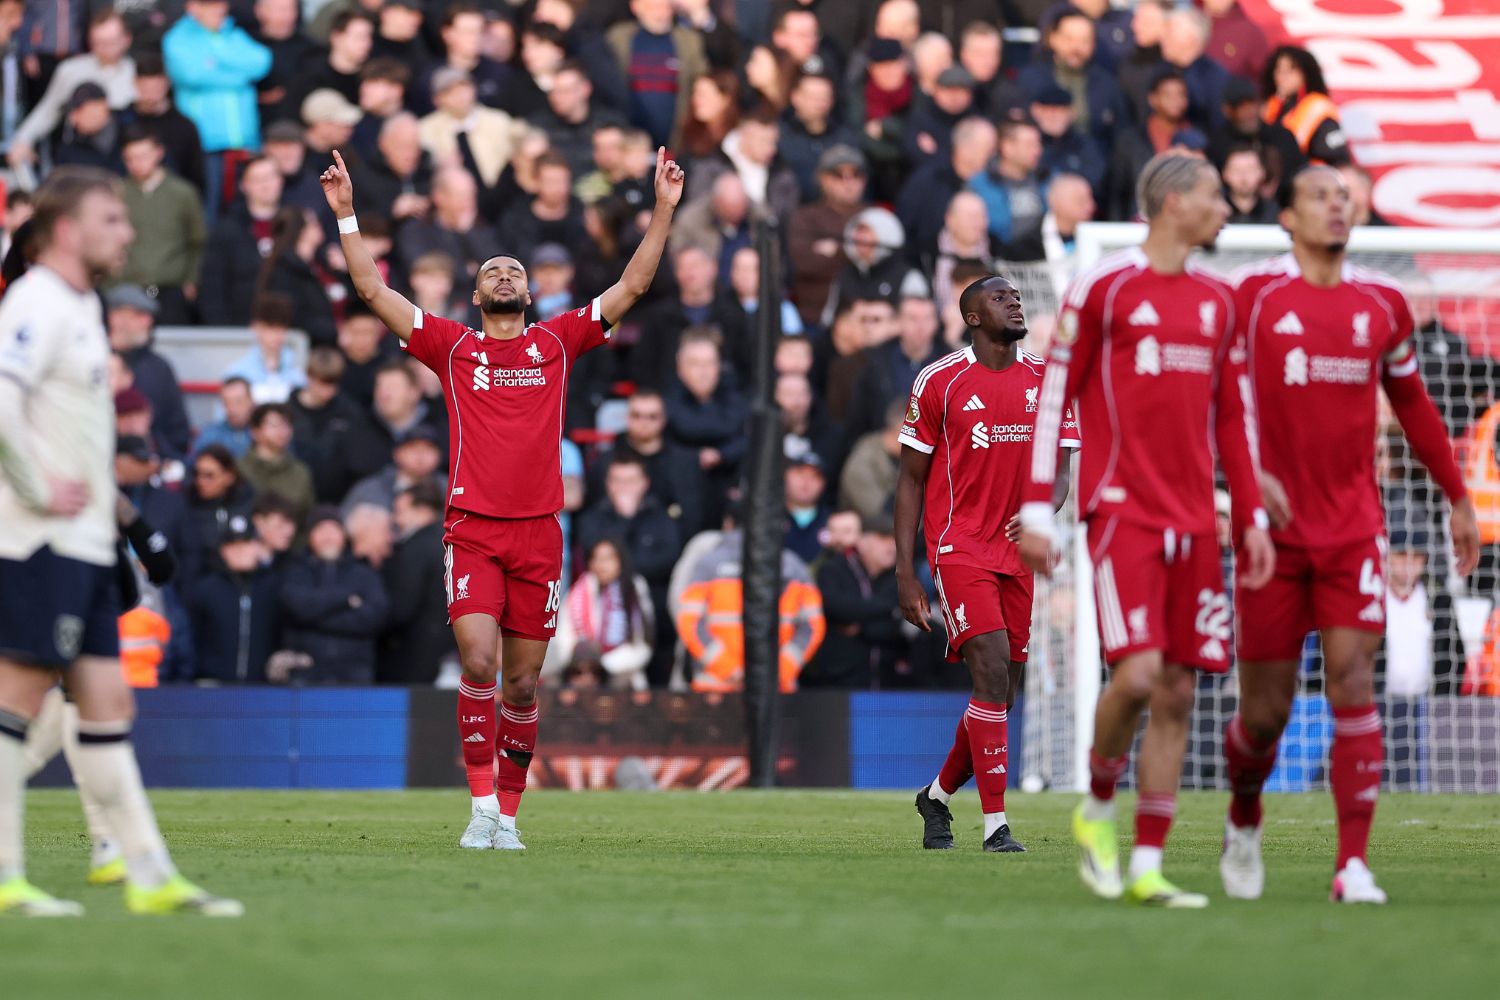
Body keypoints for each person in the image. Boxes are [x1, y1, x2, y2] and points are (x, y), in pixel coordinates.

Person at [322, 141, 684, 849]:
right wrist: (346, 216)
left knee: (522, 687)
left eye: (515, 269)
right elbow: (374, 293)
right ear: (478, 294)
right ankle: (481, 807)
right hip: (474, 531)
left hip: (540, 535)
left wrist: (664, 210)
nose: (507, 274)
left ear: (529, 292)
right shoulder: (453, 347)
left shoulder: (557, 341)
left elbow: (633, 287)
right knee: (480, 665)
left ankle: (510, 818)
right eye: (495, 270)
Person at [1017, 154, 1274, 905]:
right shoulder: (1105, 287)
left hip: (1196, 519)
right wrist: (1038, 510)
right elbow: (1054, 393)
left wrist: (1249, 510)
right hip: (1122, 509)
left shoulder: (1218, 301)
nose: (1226, 208)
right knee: (1135, 674)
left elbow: (1233, 418)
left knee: (1178, 692)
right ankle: (1098, 804)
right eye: (1215, 194)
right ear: (1171, 203)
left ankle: (1148, 866)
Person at [1219, 166, 1480, 905]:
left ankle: (1353, 865)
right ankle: (1244, 813)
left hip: (1352, 529)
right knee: (1263, 717)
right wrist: (1234, 492)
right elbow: (1213, 399)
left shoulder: (1381, 304)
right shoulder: (1252, 297)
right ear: (1286, 218)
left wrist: (1456, 496)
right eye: (1319, 198)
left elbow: (1416, 405)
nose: (1337, 208)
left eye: (1344, 198)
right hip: (1270, 535)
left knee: (1353, 681)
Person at [0, 166, 240, 916]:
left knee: (106, 706)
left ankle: (147, 875)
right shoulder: (36, 300)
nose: (128, 231)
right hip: (41, 539)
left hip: (84, 543)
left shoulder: (77, 306)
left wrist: (118, 523)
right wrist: (39, 488)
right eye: (112, 219)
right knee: (16, 705)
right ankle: (7, 878)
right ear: (68, 230)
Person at [897, 274, 1080, 854]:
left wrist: (1044, 510)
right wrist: (906, 572)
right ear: (973, 316)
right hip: (960, 545)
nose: (1015, 302)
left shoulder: (1049, 381)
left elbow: (1063, 468)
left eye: (1017, 296)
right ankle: (996, 825)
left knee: (1000, 693)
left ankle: (937, 795)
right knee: (993, 671)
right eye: (1001, 297)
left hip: (1016, 551)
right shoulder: (939, 380)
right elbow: (910, 478)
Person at [162, 0, 273, 224]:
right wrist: (240, 76)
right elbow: (191, 74)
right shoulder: (177, 38)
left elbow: (262, 61)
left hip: (243, 143)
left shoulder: (232, 32)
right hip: (205, 145)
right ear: (193, 7)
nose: (220, 9)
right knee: (208, 216)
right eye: (211, 4)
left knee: (247, 215)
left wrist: (216, 61)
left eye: (222, 3)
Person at [278, 506, 390, 685]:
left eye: (334, 530)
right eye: (321, 530)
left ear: (344, 536)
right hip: (305, 675)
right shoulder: (295, 571)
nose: (328, 537)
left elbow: (374, 618)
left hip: (354, 675)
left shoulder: (364, 572)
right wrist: (346, 599)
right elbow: (298, 609)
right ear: (309, 537)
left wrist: (315, 615)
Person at [543, 538, 656, 692]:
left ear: (620, 560)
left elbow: (642, 644)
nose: (600, 565)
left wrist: (603, 664)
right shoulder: (579, 591)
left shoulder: (634, 588)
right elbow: (564, 637)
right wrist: (583, 662)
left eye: (607, 558)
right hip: (580, 671)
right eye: (595, 558)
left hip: (620, 674)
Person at [188, 514, 280, 682]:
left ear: (259, 547)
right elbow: (192, 637)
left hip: (262, 687)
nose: (240, 551)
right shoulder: (206, 589)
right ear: (223, 550)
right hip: (212, 685)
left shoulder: (273, 587)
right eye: (232, 545)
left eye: (246, 543)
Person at [379, 480, 455, 685]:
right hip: (451, 645)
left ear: (421, 510)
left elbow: (402, 607)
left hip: (415, 649)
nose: (396, 518)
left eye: (400, 511)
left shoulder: (415, 548)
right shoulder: (452, 542)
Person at [105, 285, 192, 460]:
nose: (147, 322)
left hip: (150, 464)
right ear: (114, 317)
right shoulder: (92, 361)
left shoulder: (159, 369)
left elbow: (178, 431)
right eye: (138, 315)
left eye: (148, 317)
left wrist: (157, 455)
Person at [1261, 45, 1349, 166]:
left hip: (1312, 178)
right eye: (1279, 70)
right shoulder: (1270, 107)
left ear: (1305, 73)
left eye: (1290, 70)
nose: (1283, 76)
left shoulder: (1319, 108)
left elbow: (1337, 157)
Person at [237, 402, 314, 525]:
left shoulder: (300, 472)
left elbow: (307, 517)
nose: (282, 430)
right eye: (274, 425)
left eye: (286, 424)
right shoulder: (238, 469)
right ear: (255, 431)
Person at [224, 294, 305, 403]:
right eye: (271, 327)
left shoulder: (299, 374)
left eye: (283, 328)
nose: (278, 335)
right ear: (255, 327)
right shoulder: (237, 373)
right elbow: (225, 417)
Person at [194, 377, 256, 458]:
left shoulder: (263, 433)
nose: (232, 409)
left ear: (252, 402)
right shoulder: (210, 434)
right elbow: (193, 464)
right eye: (226, 402)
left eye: (238, 402)